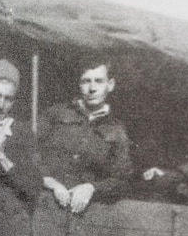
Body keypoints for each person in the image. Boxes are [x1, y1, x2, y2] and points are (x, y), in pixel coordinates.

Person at [37, 57, 132, 213]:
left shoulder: (117, 131)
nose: (92, 88)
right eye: (86, 81)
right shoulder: (55, 114)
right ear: (79, 84)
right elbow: (27, 153)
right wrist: (49, 182)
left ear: (110, 85)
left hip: (83, 214)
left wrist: (92, 187)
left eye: (99, 81)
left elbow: (121, 180)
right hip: (44, 205)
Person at [0, 59, 41, 207]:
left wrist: (1, 156)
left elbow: (33, 187)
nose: (0, 105)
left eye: (8, 99)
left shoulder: (21, 132)